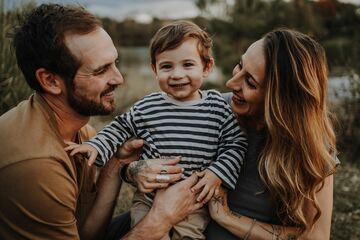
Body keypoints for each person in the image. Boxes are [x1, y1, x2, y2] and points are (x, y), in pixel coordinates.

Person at [0, 4, 203, 240]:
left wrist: (118, 162)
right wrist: (161, 219)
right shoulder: (37, 164)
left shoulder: (80, 133)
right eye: (101, 70)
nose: (119, 78)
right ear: (50, 81)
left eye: (115, 63)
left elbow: (86, 232)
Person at [123, 28, 339, 239]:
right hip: (153, 220)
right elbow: (130, 153)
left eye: (250, 82)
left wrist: (226, 217)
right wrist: (134, 171)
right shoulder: (215, 109)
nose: (231, 83)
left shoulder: (312, 148)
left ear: (280, 101)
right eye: (240, 65)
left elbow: (316, 236)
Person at [66, 20, 247, 239]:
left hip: (194, 201)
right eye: (167, 66)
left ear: (207, 67)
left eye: (187, 65)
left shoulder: (217, 107)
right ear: (154, 69)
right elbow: (120, 127)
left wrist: (217, 173)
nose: (177, 74)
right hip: (149, 198)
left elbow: (236, 144)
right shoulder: (149, 106)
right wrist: (96, 144)